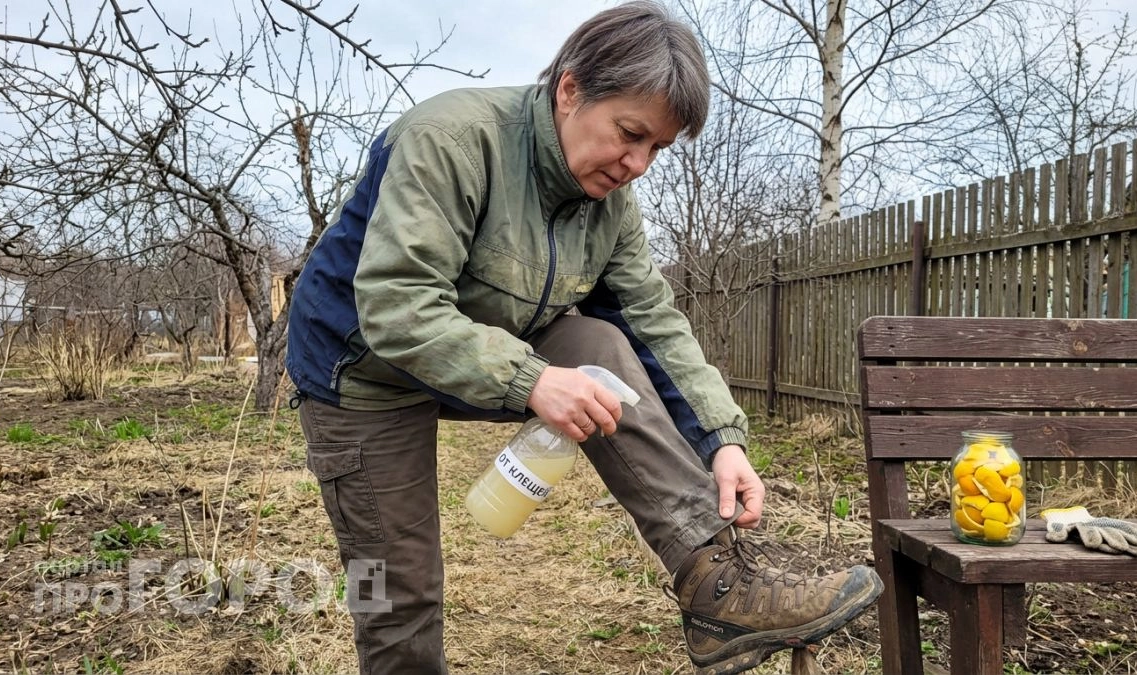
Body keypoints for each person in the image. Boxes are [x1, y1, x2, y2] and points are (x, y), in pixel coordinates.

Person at [285, 2, 883, 673]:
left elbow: (651, 320)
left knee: (598, 345)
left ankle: (715, 584)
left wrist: (723, 439)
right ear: (570, 89)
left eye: (657, 148)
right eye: (631, 133)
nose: (639, 164)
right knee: (399, 592)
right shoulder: (451, 141)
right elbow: (397, 305)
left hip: (489, 342)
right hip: (360, 372)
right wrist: (533, 379)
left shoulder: (610, 205)